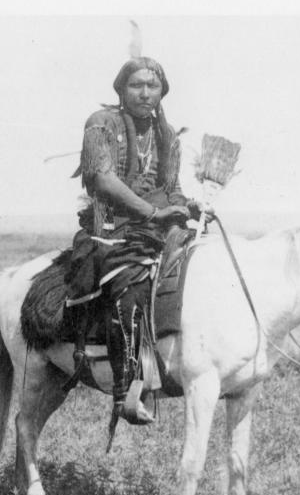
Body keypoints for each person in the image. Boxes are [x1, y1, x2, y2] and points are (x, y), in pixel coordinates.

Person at [72, 56, 210, 425]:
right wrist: (153, 214)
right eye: (137, 85)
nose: (145, 93)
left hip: (157, 227)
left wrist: (188, 205)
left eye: (153, 86)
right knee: (129, 280)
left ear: (163, 91)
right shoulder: (101, 124)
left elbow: (171, 189)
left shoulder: (168, 136)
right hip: (112, 230)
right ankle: (126, 389)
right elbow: (102, 179)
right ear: (121, 89)